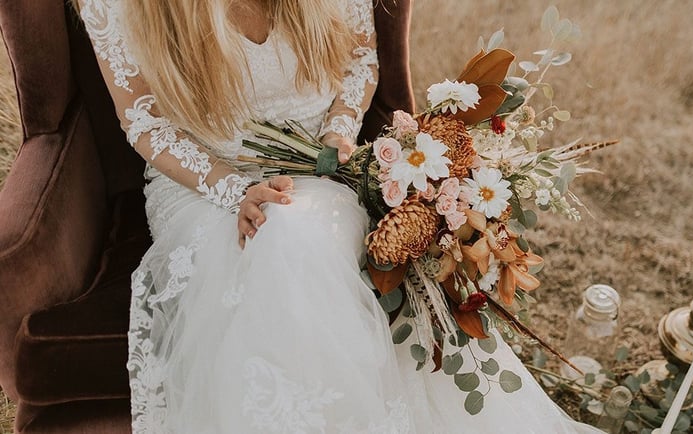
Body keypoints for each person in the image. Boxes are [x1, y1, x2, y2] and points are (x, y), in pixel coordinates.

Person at [76, 0, 604, 432]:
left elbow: (359, 63)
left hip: (322, 171)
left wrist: (336, 138)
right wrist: (235, 188)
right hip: (207, 183)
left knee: (296, 233)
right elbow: (145, 121)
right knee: (278, 239)